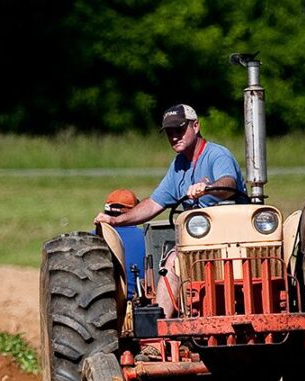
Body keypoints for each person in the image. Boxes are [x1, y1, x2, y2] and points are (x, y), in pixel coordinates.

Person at [92, 104, 246, 317]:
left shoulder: (217, 155)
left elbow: (229, 184)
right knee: (171, 263)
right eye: (169, 132)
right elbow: (154, 204)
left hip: (233, 239)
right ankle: (159, 332)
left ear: (196, 126)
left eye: (179, 130)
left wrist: (208, 188)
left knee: (174, 261)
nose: (174, 136)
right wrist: (116, 221)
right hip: (198, 244)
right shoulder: (178, 166)